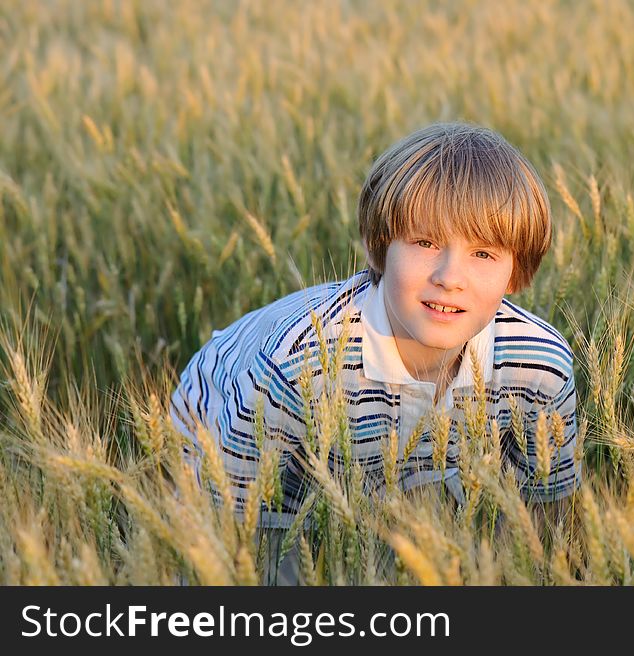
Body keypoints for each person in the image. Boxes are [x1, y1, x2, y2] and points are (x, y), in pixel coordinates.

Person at [169, 122, 581, 583]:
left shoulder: (540, 367)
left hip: (387, 461)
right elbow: (222, 522)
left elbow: (545, 509)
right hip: (231, 422)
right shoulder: (298, 366)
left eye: (483, 254)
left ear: (517, 275)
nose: (450, 276)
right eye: (425, 243)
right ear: (378, 248)